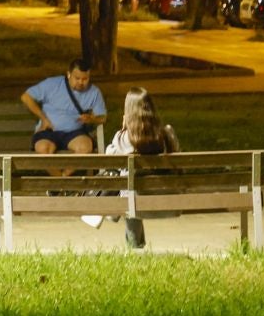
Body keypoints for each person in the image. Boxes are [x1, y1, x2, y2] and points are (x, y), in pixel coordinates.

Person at [105, 86, 179, 250]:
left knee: (127, 184)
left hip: (135, 205)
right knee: (130, 183)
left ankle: (134, 246)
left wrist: (123, 128)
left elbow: (109, 160)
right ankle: (136, 244)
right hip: (169, 201)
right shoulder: (167, 133)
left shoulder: (124, 138)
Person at [22, 59, 107, 155]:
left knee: (85, 147)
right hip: (48, 131)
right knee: (43, 149)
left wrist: (92, 119)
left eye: (85, 79)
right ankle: (58, 171)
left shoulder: (94, 92)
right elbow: (26, 97)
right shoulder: (52, 84)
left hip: (75, 133)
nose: (81, 82)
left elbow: (102, 117)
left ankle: (67, 171)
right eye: (77, 78)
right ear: (69, 74)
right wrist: (43, 118)